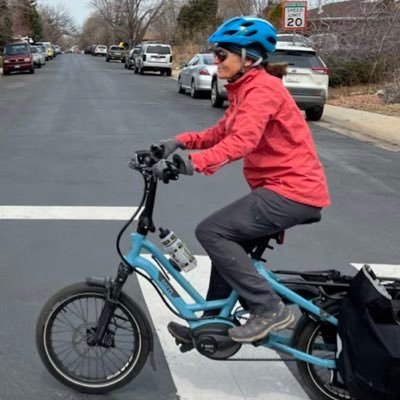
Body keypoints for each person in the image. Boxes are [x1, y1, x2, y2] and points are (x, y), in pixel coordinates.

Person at [152, 16, 330, 344]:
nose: (215, 61)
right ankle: (211, 325)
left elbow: (241, 142)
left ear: (249, 58)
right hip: (280, 190)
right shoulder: (246, 88)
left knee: (212, 231)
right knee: (227, 251)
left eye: (222, 55)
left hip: (293, 191)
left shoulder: (262, 89)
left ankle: (270, 309)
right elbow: (221, 132)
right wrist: (176, 143)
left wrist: (189, 165)